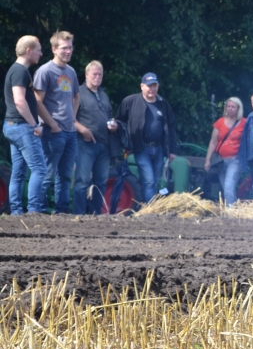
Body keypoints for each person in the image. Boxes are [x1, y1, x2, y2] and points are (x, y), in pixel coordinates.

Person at [32, 30, 80, 213]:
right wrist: (52, 125)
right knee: (47, 174)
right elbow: (37, 102)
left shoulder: (71, 71)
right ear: (54, 49)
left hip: (70, 132)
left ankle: (61, 210)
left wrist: (73, 118)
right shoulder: (45, 71)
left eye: (70, 47)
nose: (68, 51)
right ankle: (39, 211)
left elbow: (77, 97)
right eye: (64, 48)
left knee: (66, 176)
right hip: (53, 132)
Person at [117, 73, 179, 205]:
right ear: (142, 86)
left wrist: (172, 150)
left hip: (159, 148)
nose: (152, 89)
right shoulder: (131, 101)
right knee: (149, 180)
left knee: (155, 180)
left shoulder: (163, 104)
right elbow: (119, 121)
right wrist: (125, 142)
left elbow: (171, 128)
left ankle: (149, 208)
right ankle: (150, 210)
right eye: (149, 86)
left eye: (154, 85)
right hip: (141, 148)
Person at [4, 36, 47, 215]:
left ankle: (16, 212)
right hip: (22, 127)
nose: (41, 53)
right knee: (39, 169)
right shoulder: (20, 71)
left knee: (19, 172)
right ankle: (33, 211)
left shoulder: (16, 70)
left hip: (12, 126)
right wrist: (34, 125)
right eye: (38, 49)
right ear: (28, 50)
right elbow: (20, 102)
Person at [73, 61, 116, 214]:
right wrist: (83, 130)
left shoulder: (103, 95)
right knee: (82, 182)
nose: (97, 77)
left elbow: (109, 117)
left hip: (104, 145)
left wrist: (113, 125)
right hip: (86, 144)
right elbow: (70, 118)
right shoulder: (78, 92)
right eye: (94, 74)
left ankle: (95, 215)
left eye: (100, 75)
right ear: (86, 75)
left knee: (101, 182)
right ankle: (78, 215)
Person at [204, 97, 246, 205]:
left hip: (235, 160)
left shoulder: (244, 123)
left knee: (228, 187)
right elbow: (213, 142)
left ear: (238, 108)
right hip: (220, 162)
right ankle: (235, 210)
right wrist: (208, 160)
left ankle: (230, 213)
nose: (230, 109)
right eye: (228, 106)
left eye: (233, 107)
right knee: (228, 189)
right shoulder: (220, 122)